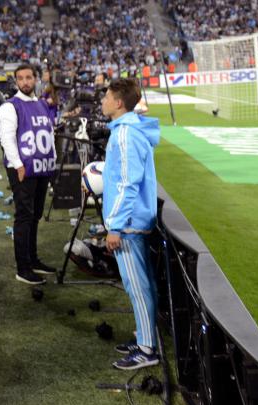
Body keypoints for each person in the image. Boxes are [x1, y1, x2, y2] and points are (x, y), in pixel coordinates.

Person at [99, 79, 161, 370]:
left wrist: (115, 226)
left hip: (129, 225)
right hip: (133, 221)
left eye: (107, 96)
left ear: (119, 102)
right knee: (141, 285)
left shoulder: (125, 134)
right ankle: (144, 338)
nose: (103, 101)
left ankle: (147, 350)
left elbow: (127, 183)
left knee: (137, 287)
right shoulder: (130, 129)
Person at [0, 64, 58, 285]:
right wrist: (17, 165)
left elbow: (49, 134)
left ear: (35, 79)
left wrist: (52, 162)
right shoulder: (10, 106)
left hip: (42, 167)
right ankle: (23, 268)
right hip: (23, 169)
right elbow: (6, 138)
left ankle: (33, 260)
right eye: (21, 78)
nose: (25, 82)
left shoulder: (41, 104)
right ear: (16, 81)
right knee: (24, 216)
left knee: (35, 214)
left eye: (29, 77)